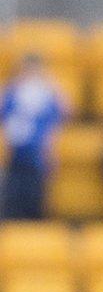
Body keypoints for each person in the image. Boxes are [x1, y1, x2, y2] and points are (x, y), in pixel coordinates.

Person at [1, 52, 66, 219]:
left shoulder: (49, 94)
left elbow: (63, 113)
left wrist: (53, 87)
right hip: (14, 155)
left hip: (38, 156)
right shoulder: (12, 92)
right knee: (12, 201)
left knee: (35, 202)